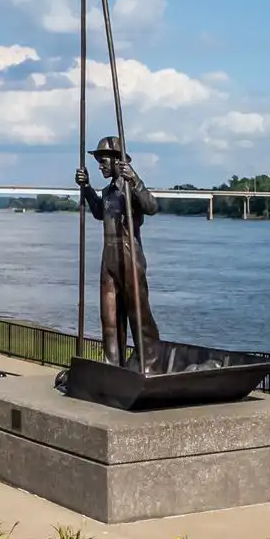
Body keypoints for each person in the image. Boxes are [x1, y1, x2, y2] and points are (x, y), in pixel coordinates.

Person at [75, 136, 163, 368]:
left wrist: (135, 180)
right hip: (109, 259)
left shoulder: (129, 190)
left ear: (117, 161)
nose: (100, 165)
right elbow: (97, 213)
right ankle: (113, 363)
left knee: (138, 313)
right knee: (109, 317)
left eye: (103, 160)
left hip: (129, 256)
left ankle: (150, 360)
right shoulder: (107, 193)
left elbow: (152, 207)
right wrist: (86, 188)